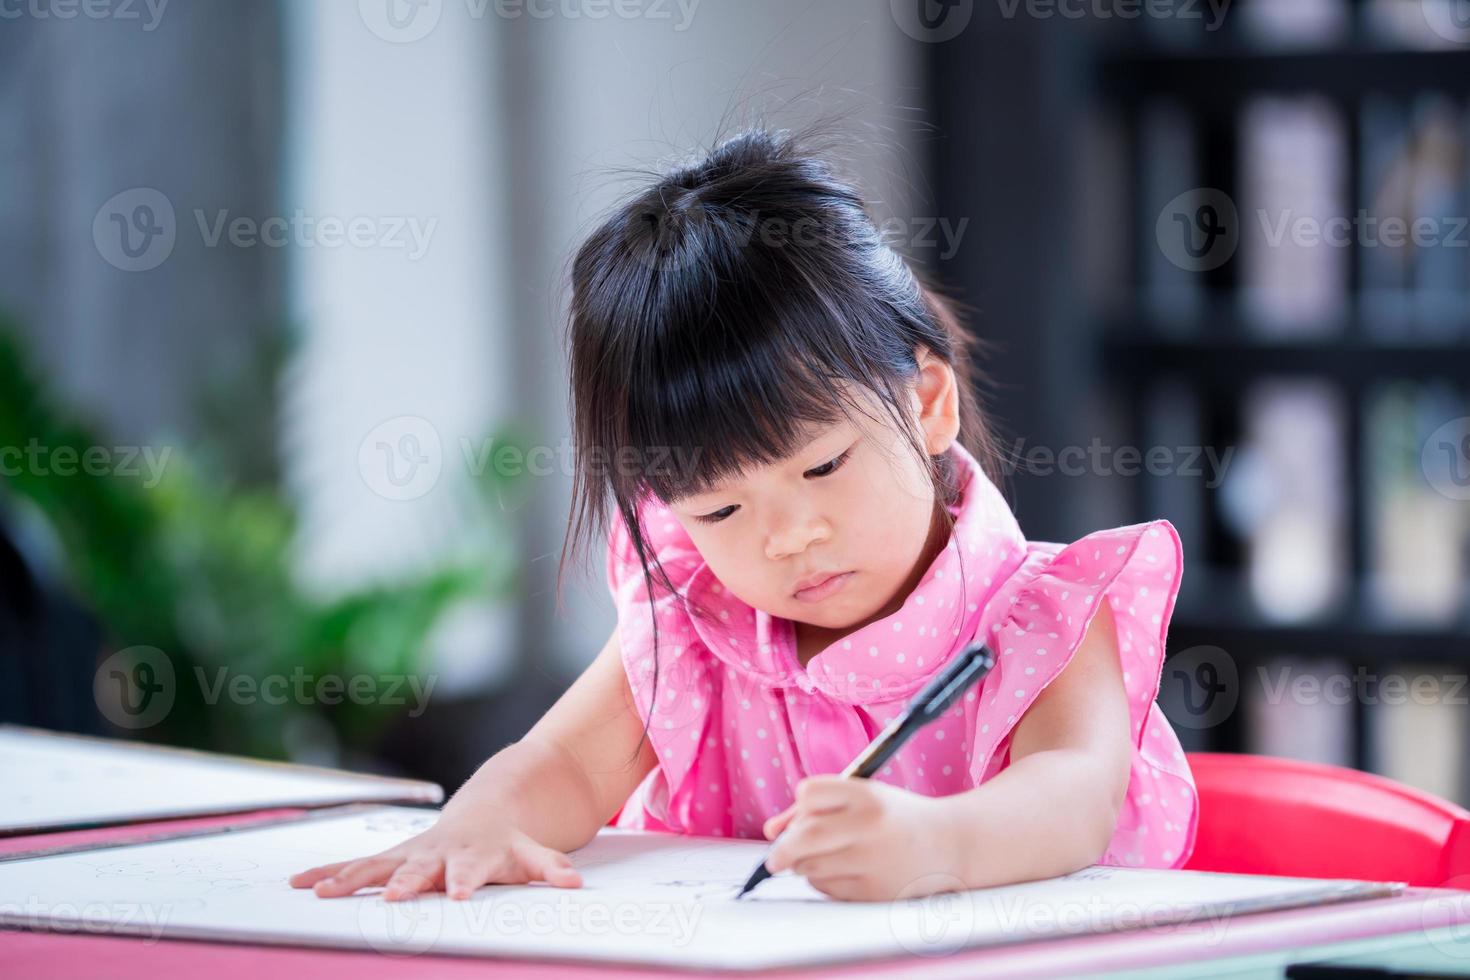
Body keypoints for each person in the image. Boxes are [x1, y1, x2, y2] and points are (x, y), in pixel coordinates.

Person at [290, 124, 1198, 904]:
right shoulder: (699, 621)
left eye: (824, 465)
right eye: (719, 509)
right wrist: (480, 820)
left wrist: (935, 846)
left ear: (927, 403)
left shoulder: (1044, 610)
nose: (786, 536)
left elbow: (1074, 794)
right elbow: (565, 766)